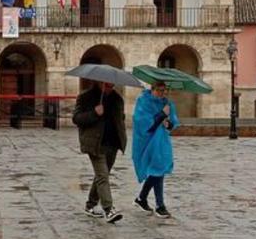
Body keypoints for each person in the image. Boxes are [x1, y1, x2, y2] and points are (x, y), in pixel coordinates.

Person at [72, 81, 126, 223]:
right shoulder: (85, 97)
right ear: (99, 83)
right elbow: (77, 118)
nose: (110, 88)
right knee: (103, 176)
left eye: (112, 85)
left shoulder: (117, 98)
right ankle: (109, 209)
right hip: (95, 143)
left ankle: (90, 205)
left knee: (103, 174)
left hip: (112, 143)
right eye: (107, 85)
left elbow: (121, 118)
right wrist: (94, 113)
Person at [132, 82, 179, 218]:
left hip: (161, 141)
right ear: (152, 89)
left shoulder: (167, 103)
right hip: (147, 141)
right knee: (158, 169)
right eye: (159, 90)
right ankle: (159, 205)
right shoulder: (143, 101)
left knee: (160, 169)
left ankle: (143, 198)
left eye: (164, 90)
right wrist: (160, 115)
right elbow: (143, 123)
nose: (161, 93)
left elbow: (172, 122)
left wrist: (168, 122)